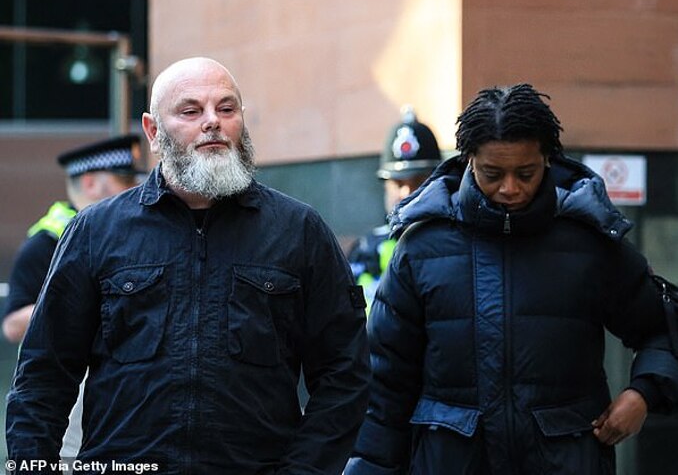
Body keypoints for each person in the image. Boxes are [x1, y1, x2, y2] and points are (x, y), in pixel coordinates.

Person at [6, 57, 370, 474]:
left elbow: (345, 374)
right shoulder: (95, 231)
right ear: (153, 132)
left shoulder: (298, 230)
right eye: (191, 111)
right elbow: (42, 378)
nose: (212, 121)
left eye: (226, 108)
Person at [345, 84, 678, 474]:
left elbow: (665, 328)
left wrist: (643, 393)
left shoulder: (588, 244)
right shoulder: (421, 249)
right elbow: (384, 388)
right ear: (469, 161)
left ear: (547, 160)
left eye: (525, 173)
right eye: (492, 174)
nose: (510, 188)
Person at [2, 134, 143, 344]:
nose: (134, 188)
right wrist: (83, 300)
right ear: (90, 184)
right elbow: (12, 326)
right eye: (125, 180)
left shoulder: (130, 234)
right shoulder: (47, 243)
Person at [347, 106, 442, 309]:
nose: (406, 193)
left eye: (418, 181)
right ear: (385, 187)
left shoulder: (456, 242)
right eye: (398, 184)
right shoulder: (365, 249)